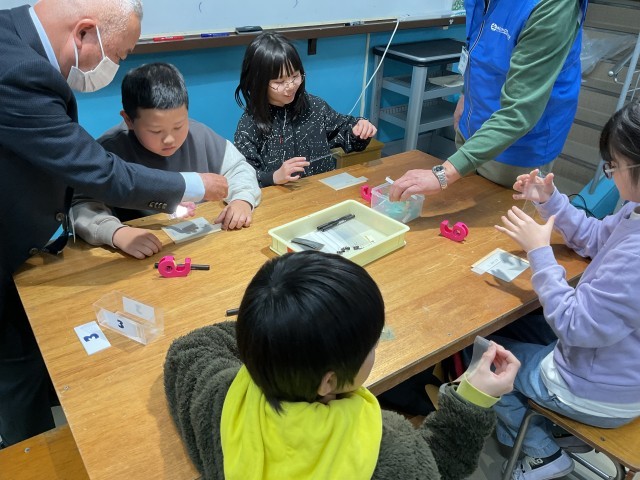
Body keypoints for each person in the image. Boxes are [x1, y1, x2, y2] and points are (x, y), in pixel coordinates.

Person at [0, 0, 228, 446]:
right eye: (118, 55)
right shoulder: (15, 70)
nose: (115, 65)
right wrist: (191, 186)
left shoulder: (14, 36)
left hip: (29, 251)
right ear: (84, 32)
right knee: (16, 372)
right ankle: (29, 451)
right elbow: (98, 173)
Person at [164, 250, 521, 479]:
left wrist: (274, 330)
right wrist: (472, 401)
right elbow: (439, 467)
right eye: (372, 344)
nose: (375, 346)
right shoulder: (387, 449)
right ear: (328, 383)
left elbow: (188, 349)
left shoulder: (220, 398)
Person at [493, 100, 640, 480]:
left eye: (614, 165)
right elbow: (594, 236)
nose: (610, 173)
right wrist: (550, 202)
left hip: (597, 391)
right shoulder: (634, 212)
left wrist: (539, 252)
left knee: (486, 360)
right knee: (521, 331)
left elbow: (575, 325)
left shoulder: (636, 256)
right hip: (619, 371)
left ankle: (541, 453)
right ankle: (539, 427)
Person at [389, 0, 588, 201]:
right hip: (474, 122)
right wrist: (466, 94)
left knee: (497, 211)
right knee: (462, 200)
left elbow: (520, 111)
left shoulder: (551, 6)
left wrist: (443, 174)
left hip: (518, 144)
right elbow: (481, 47)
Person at [72, 63, 261, 259]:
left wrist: (242, 200)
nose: (170, 139)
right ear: (128, 120)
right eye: (156, 131)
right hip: (142, 256)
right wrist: (116, 232)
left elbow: (239, 168)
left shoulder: (199, 135)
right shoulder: (108, 151)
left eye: (179, 126)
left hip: (204, 246)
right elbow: (81, 204)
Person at [234, 32, 377, 188]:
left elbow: (346, 132)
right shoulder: (250, 124)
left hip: (321, 191)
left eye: (295, 76)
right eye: (279, 82)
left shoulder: (314, 107)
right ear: (258, 82)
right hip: (280, 199)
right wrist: (273, 177)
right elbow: (242, 177)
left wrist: (359, 129)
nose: (290, 86)